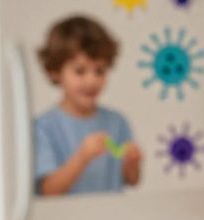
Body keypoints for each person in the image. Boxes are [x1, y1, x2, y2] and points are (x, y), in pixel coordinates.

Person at [33, 15, 141, 196]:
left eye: (99, 71)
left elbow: (132, 180)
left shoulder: (117, 122)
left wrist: (132, 163)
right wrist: (82, 157)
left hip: (112, 214)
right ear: (55, 72)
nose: (91, 80)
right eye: (80, 71)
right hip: (65, 215)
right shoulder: (43, 127)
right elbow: (48, 191)